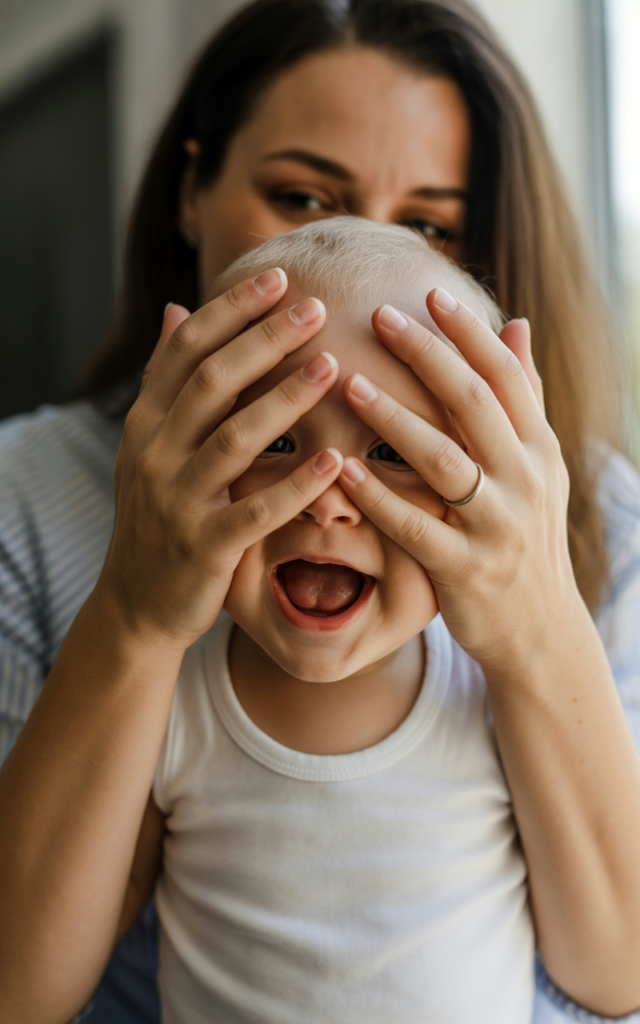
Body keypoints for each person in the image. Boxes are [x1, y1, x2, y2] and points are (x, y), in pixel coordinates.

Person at [0, 0, 639, 1021]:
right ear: (191, 193)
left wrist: (536, 622)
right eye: (301, 195)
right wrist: (131, 613)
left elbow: (621, 968)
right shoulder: (37, 512)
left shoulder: (595, 522)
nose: (330, 501)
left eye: (429, 225)